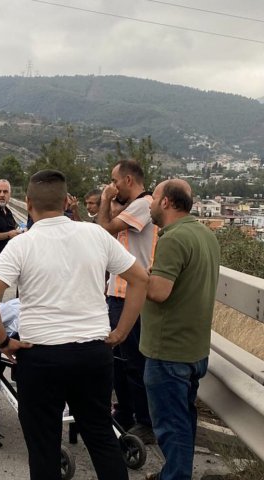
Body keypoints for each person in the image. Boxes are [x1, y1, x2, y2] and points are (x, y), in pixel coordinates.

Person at [0, 169, 149, 480]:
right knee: (101, 438)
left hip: (41, 355)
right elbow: (139, 279)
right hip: (93, 353)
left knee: (43, 443)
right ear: (69, 201)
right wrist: (120, 331)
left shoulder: (23, 243)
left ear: (31, 206)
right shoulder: (95, 235)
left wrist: (4, 342)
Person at [134, 179, 220, 480]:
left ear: (167, 202)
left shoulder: (172, 239)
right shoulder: (204, 234)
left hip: (168, 349)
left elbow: (158, 292)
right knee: (183, 418)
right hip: (194, 346)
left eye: (153, 198)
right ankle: (175, 473)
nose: (149, 204)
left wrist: (133, 272)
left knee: (171, 424)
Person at [97, 160, 158, 444]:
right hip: (118, 292)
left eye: (115, 181)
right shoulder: (132, 207)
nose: (113, 186)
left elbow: (103, 229)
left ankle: (144, 421)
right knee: (118, 360)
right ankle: (125, 412)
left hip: (132, 295)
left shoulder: (144, 205)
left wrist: (106, 199)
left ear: (129, 180)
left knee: (134, 360)